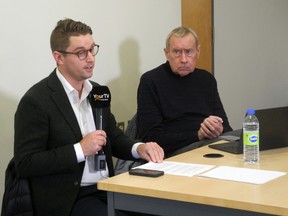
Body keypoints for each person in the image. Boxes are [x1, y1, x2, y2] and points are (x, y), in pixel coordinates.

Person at [13, 18, 164, 216]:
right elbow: (26, 163)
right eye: (81, 53)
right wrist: (80, 150)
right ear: (58, 57)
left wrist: (140, 148)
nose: (91, 58)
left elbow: (114, 138)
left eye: (92, 50)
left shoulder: (97, 92)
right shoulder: (36, 101)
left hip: (106, 188)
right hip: (69, 198)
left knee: (159, 209)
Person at [137, 26, 232, 157]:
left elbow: (226, 128)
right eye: (177, 52)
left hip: (208, 145)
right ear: (166, 53)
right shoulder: (151, 81)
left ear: (198, 52)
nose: (183, 59)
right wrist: (198, 135)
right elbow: (151, 138)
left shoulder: (207, 79)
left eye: (189, 52)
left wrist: (217, 128)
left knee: (241, 138)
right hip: (174, 152)